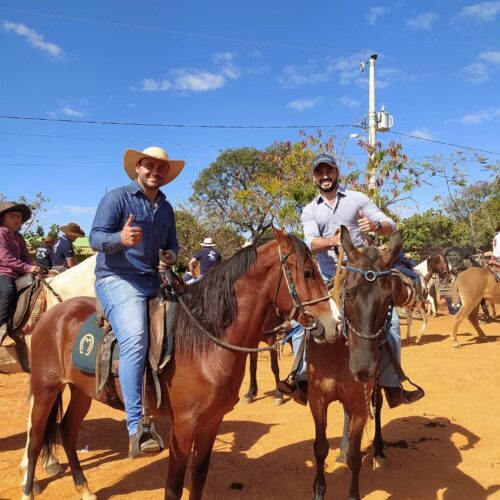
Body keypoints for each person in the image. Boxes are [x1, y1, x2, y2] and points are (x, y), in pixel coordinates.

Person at [280, 153, 424, 408]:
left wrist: (377, 225)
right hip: (326, 277)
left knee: (389, 322)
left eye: (329, 171)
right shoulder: (310, 209)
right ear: (315, 177)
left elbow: (390, 223)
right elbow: (311, 242)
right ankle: (300, 380)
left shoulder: (358, 199)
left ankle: (392, 384)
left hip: (362, 275)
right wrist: (333, 242)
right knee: (304, 322)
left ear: (336, 172)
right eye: (319, 172)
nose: (325, 176)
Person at [89, 145, 184, 457]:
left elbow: (172, 246)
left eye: (161, 168)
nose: (155, 172)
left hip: (152, 278)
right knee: (136, 338)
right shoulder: (117, 198)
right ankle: (137, 426)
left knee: (188, 327)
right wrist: (120, 239)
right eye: (149, 166)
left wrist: (170, 255)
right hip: (117, 278)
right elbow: (95, 239)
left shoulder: (167, 208)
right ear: (137, 168)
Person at [0, 202, 43, 347]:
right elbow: (6, 257)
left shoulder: (18, 237)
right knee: (8, 290)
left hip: (18, 273)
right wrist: (27, 268)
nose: (17, 219)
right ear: (2, 218)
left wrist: (33, 268)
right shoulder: (1, 233)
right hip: (3, 272)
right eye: (12, 215)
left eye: (19, 216)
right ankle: (1, 329)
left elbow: (26, 256)